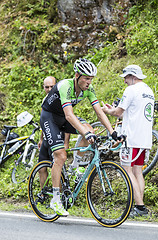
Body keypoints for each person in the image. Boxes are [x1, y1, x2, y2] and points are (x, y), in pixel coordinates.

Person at [40, 58, 118, 216]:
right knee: (60, 155)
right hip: (50, 117)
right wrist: (85, 133)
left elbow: (99, 112)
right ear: (77, 75)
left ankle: (75, 165)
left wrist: (112, 132)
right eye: (86, 78)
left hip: (63, 117)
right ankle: (55, 199)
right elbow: (69, 115)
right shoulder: (65, 86)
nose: (89, 82)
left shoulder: (89, 89)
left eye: (91, 79)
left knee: (89, 128)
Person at [102, 65, 154, 217]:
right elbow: (131, 114)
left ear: (133, 76)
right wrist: (115, 110)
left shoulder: (131, 90)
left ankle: (139, 207)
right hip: (144, 139)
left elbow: (118, 112)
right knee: (138, 172)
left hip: (130, 138)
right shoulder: (149, 91)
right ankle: (140, 206)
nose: (124, 81)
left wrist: (106, 110)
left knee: (127, 171)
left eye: (125, 77)